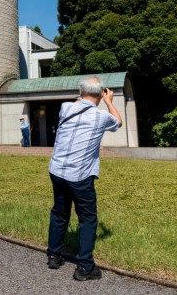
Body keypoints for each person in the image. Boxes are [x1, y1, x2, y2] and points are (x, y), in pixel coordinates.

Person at [46, 76, 122, 281]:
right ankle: (85, 267)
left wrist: (84, 93)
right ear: (101, 93)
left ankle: (54, 255)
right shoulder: (101, 117)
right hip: (79, 175)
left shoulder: (65, 108)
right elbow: (118, 122)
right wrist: (109, 102)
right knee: (87, 218)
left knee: (60, 213)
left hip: (57, 170)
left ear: (80, 93)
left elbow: (77, 101)